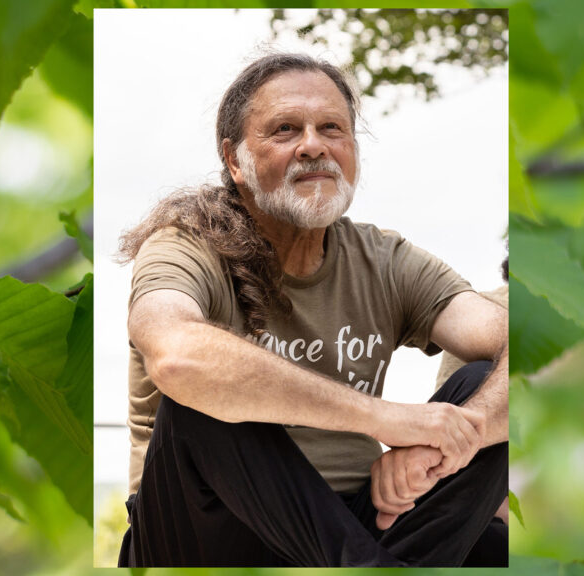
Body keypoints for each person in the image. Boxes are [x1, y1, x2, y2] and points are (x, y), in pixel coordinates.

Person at [116, 53, 508, 567]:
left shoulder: (385, 259)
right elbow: (176, 355)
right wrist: (387, 419)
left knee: (486, 383)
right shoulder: (184, 247)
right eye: (284, 130)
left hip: (359, 521)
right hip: (207, 523)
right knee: (203, 392)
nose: (313, 146)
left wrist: (452, 439)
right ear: (234, 160)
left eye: (332, 128)